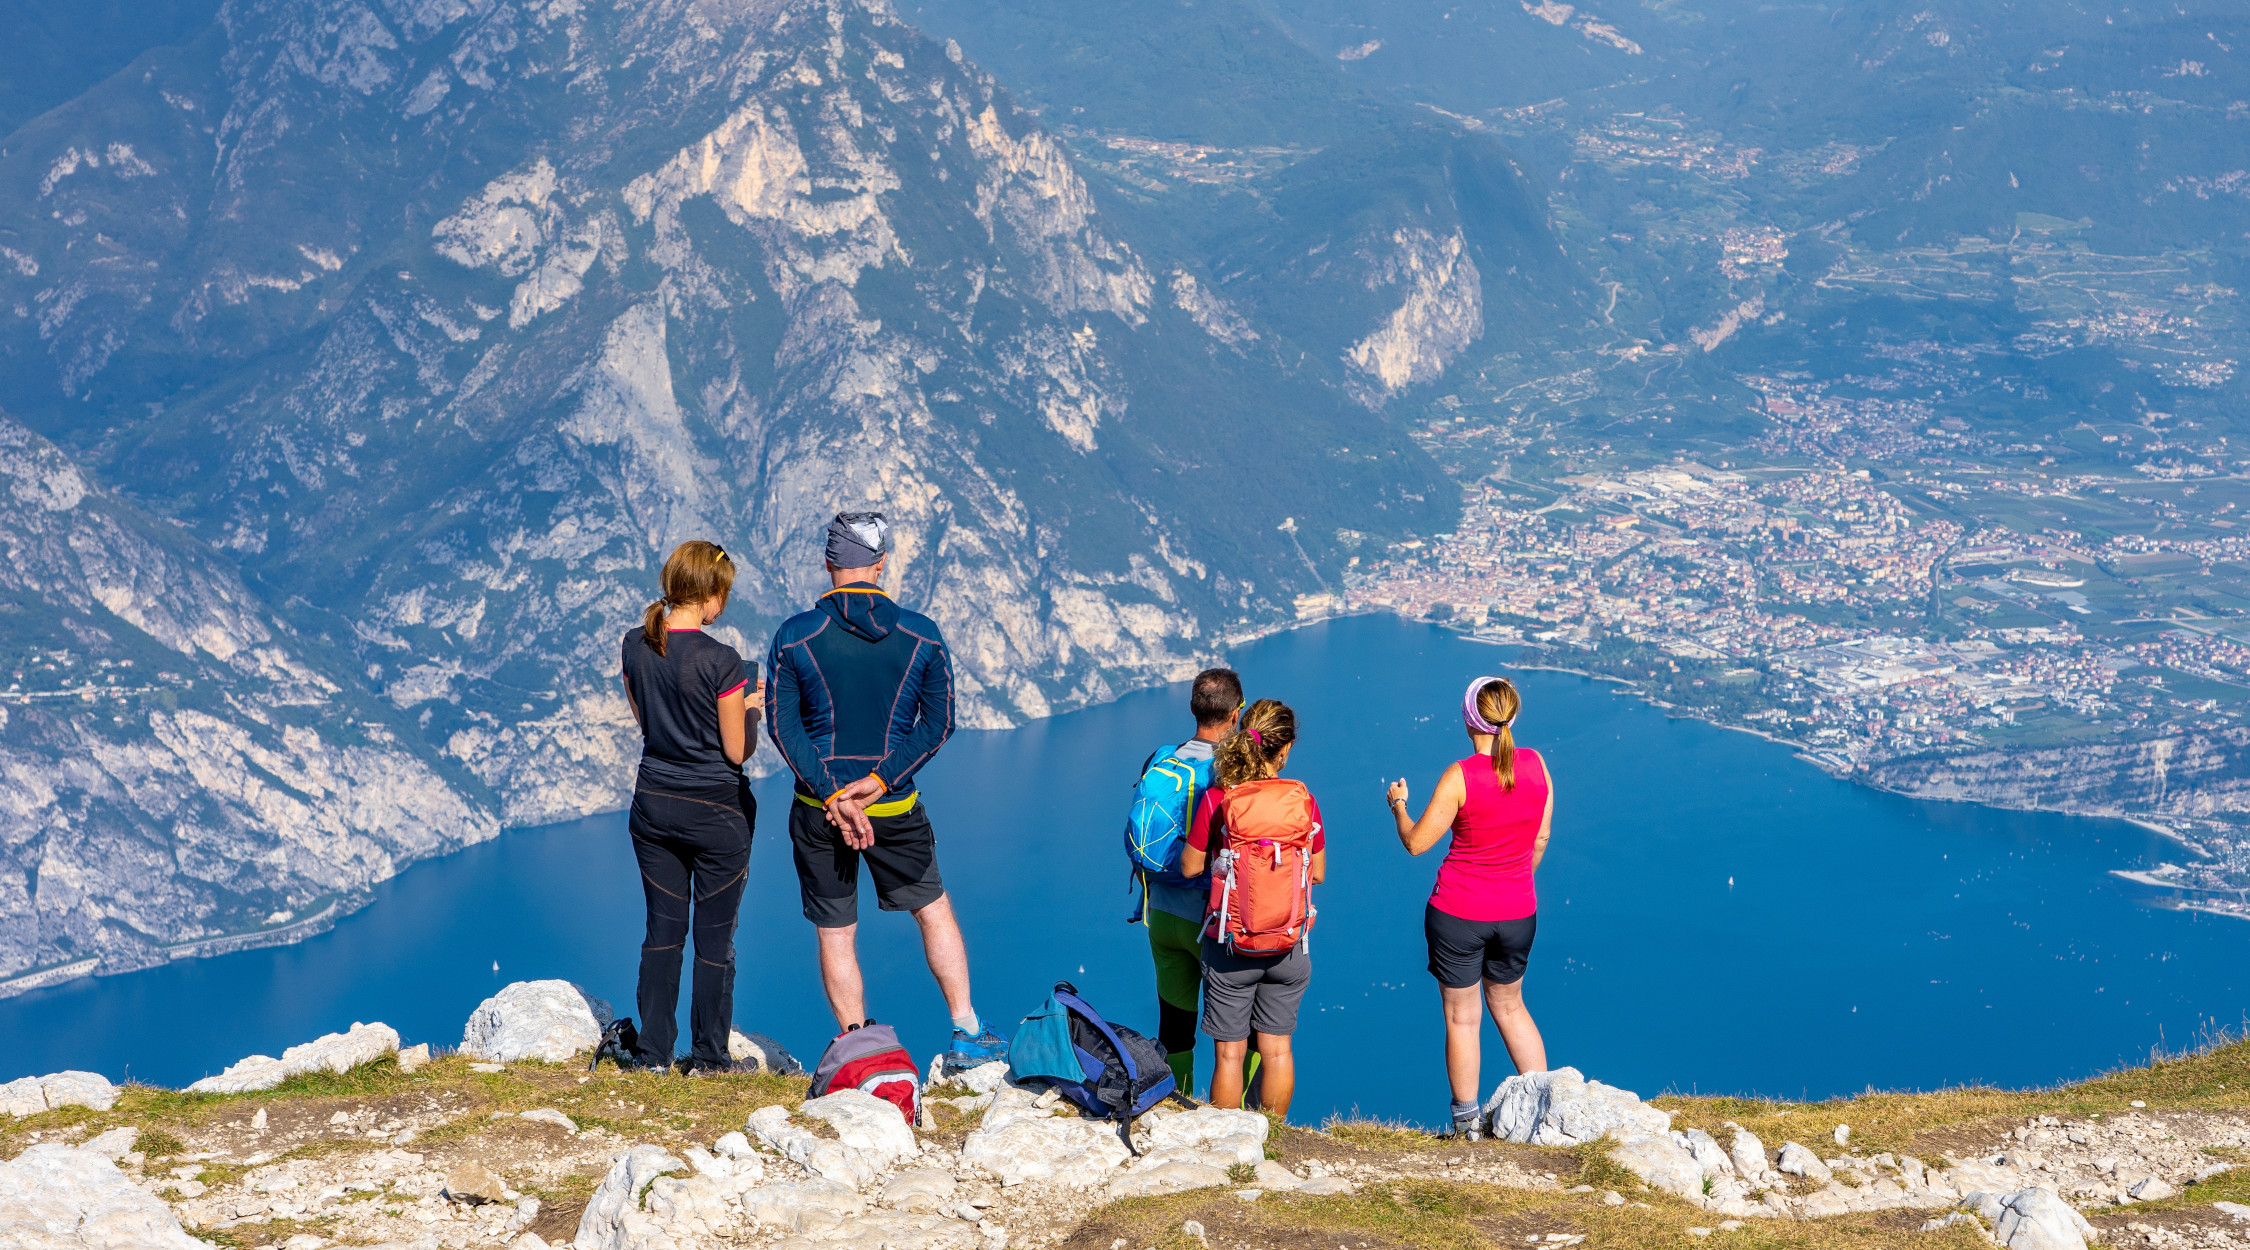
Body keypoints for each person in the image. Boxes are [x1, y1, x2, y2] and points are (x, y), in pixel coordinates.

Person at [766, 511, 1009, 1067]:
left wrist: (834, 794)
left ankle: (857, 1049)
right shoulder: (922, 635)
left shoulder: (795, 635)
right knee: (933, 910)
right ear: (880, 566)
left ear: (829, 565)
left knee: (836, 931)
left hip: (818, 810)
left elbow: (785, 729)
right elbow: (938, 724)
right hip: (894, 805)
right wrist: (876, 783)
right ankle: (967, 1029)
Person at [1384, 675, 1553, 1140]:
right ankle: (1543, 1111)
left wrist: (1399, 805)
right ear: (1511, 716)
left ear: (1467, 718)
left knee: (1463, 1018)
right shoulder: (1536, 765)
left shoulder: (1460, 775)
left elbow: (1417, 842)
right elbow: (1540, 838)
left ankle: (1466, 1127)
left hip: (1458, 912)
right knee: (1512, 1007)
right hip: (1519, 909)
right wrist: (1511, 882)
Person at [618, 539, 761, 1074]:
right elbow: (736, 751)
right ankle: (707, 1058)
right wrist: (751, 707)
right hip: (716, 815)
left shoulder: (635, 644)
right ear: (708, 593)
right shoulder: (722, 662)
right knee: (714, 939)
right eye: (724, 593)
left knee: (663, 929)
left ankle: (653, 1053)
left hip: (653, 805)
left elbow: (647, 721)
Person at [1179, 698, 1323, 1116]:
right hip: (1289, 945)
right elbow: (1316, 874)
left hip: (1231, 948)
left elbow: (1190, 868)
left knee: (1229, 1055)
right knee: (1277, 1050)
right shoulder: (1303, 801)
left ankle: (1226, 1142)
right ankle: (1272, 1136)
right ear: (1286, 749)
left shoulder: (1219, 798)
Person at [1131, 668, 1243, 1091]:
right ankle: (1246, 1122)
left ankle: (1175, 1110)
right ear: (1237, 713)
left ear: (1193, 709)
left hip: (1160, 915)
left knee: (1175, 1026)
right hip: (1209, 919)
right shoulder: (1231, 772)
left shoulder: (1161, 757)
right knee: (1237, 1035)